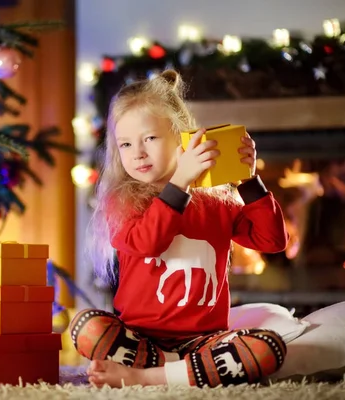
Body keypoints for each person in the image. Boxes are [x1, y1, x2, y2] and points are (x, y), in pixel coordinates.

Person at [70, 70, 289, 388]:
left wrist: (250, 181)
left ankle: (148, 376)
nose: (138, 152)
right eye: (126, 144)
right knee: (86, 326)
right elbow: (149, 243)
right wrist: (179, 183)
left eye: (150, 138)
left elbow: (271, 241)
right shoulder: (124, 202)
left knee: (268, 348)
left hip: (203, 340)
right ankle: (183, 370)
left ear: (183, 138)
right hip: (140, 340)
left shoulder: (215, 200)